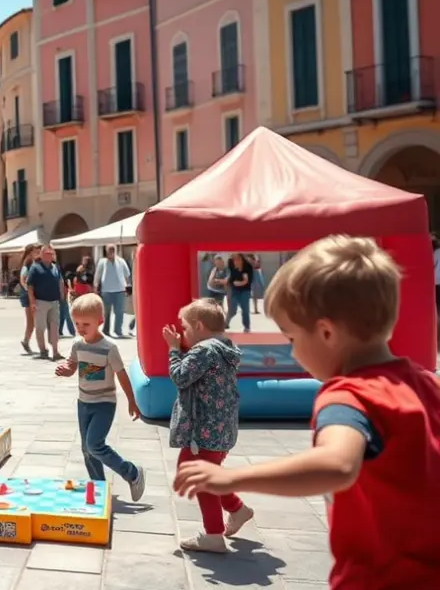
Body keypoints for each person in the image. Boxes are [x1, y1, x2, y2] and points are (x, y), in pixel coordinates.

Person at [174, 236, 440, 587]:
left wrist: (232, 478)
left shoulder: (348, 398)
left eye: (292, 339)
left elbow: (337, 464)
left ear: (326, 332)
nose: (295, 353)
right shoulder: (426, 385)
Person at [161, 298, 248, 553]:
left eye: (186, 328)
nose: (184, 333)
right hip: (221, 428)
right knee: (207, 472)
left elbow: (180, 377)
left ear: (199, 325)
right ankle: (237, 509)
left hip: (204, 431)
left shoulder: (204, 350)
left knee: (197, 475)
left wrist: (174, 349)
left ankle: (213, 535)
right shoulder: (225, 347)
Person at [56, 294, 145, 501]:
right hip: (83, 402)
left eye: (86, 324)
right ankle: (100, 487)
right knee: (86, 449)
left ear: (100, 322)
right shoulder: (78, 345)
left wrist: (132, 400)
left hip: (104, 403)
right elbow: (72, 366)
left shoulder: (109, 348)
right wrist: (65, 370)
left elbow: (122, 375)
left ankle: (132, 473)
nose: (80, 328)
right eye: (76, 323)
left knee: (94, 444)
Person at [27, 245, 63, 361]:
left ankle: (55, 352)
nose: (49, 256)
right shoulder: (35, 268)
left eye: (50, 254)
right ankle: (43, 350)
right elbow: (30, 286)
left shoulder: (55, 267)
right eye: (46, 254)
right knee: (40, 328)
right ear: (41, 255)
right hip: (40, 301)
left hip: (54, 301)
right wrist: (32, 302)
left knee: (54, 327)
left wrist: (62, 297)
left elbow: (60, 281)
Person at [94, 245, 132, 338]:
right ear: (106, 251)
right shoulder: (102, 262)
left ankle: (118, 331)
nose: (111, 251)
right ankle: (106, 330)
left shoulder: (121, 261)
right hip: (106, 291)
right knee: (106, 312)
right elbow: (97, 275)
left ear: (115, 250)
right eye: (109, 250)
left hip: (119, 290)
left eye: (112, 250)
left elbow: (127, 275)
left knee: (119, 312)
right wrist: (95, 288)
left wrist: (128, 286)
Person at [18, 244, 39, 354]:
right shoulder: (27, 264)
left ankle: (26, 341)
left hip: (30, 295)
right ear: (30, 252)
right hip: (28, 296)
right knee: (31, 321)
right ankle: (26, 341)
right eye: (36, 251)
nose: (38, 253)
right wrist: (29, 290)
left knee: (32, 322)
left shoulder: (32, 263)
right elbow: (23, 279)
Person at [226, 253, 253, 333]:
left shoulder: (248, 267)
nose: (235, 261)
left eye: (237, 259)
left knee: (245, 309)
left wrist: (243, 282)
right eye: (234, 260)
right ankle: (226, 322)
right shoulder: (231, 264)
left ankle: (247, 327)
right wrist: (233, 283)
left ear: (241, 259)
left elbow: (248, 281)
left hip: (245, 290)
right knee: (232, 309)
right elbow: (231, 278)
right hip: (235, 290)